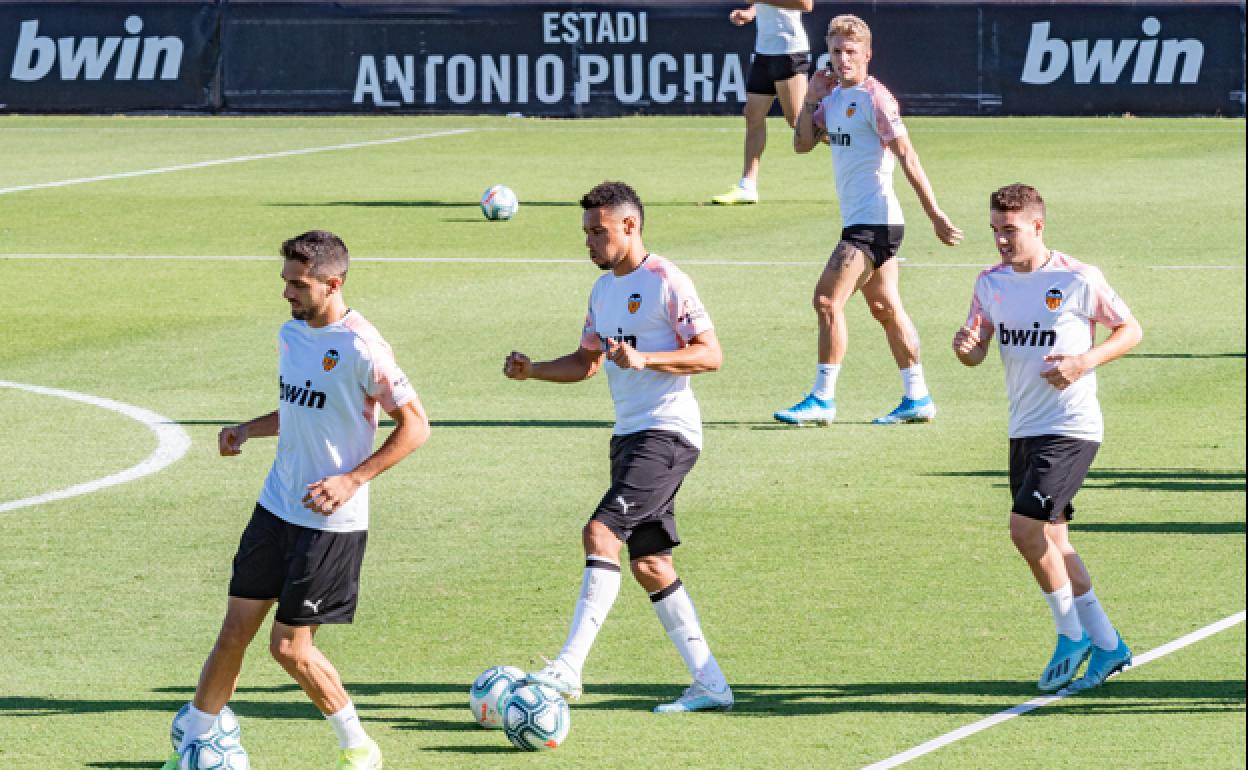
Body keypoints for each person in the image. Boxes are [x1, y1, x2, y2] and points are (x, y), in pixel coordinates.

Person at [163, 231, 430, 769]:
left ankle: (359, 748)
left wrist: (353, 479)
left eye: (297, 283)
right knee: (234, 632)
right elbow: (302, 409)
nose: (286, 292)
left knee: (289, 649)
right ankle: (192, 747)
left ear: (333, 283)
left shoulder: (363, 348)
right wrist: (246, 429)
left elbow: (417, 426)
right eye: (285, 280)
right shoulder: (291, 333)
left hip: (329, 523)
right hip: (275, 505)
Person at [503, 181, 733, 713]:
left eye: (597, 232)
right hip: (630, 435)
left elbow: (711, 354)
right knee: (650, 563)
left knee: (600, 531)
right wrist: (534, 370)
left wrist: (646, 360)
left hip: (668, 431)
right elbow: (588, 362)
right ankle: (711, 684)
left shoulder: (665, 280)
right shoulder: (603, 291)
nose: (589, 242)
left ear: (630, 226)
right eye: (586, 232)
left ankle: (569, 667)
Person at [952, 183, 1141, 692]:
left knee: (1023, 530)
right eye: (994, 231)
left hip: (1072, 426)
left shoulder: (1078, 278)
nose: (1000, 241)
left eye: (1009, 230)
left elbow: (1129, 330)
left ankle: (1070, 636)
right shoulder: (990, 283)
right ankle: (1108, 645)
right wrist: (966, 345)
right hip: (1025, 428)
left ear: (1037, 226)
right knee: (1053, 539)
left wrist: (1084, 361)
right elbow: (975, 350)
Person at [777, 14, 963, 426]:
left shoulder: (876, 98)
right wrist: (810, 100)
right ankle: (918, 397)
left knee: (826, 300)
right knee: (885, 307)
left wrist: (935, 214)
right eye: (836, 52)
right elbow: (801, 145)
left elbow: (908, 156)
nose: (843, 60)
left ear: (868, 54)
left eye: (851, 52)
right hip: (861, 220)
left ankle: (822, 399)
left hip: (875, 222)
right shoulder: (832, 100)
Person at [711, 0, 815, 205]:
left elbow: (805, 4)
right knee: (752, 114)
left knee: (798, 122)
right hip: (764, 52)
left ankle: (853, 141)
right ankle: (747, 185)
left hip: (789, 50)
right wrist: (750, 12)